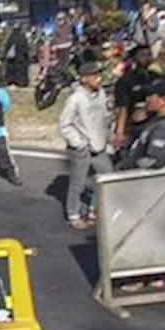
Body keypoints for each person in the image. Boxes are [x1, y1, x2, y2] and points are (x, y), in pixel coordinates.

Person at [59, 61, 115, 230]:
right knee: (79, 182)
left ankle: (94, 209)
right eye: (94, 75)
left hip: (100, 145)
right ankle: (73, 214)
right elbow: (64, 125)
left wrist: (109, 136)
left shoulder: (102, 94)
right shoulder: (75, 99)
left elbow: (106, 117)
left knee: (106, 177)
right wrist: (79, 143)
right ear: (84, 79)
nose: (99, 78)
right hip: (82, 148)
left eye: (99, 74)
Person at [121, 78, 165, 171]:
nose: (147, 99)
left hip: (158, 181)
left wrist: (126, 167)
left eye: (151, 96)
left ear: (164, 100)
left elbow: (153, 161)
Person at [112, 45, 159, 152]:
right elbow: (122, 108)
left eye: (149, 55)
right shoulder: (125, 81)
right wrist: (120, 132)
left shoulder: (156, 77)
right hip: (132, 125)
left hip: (154, 122)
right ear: (134, 59)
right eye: (142, 55)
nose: (146, 58)